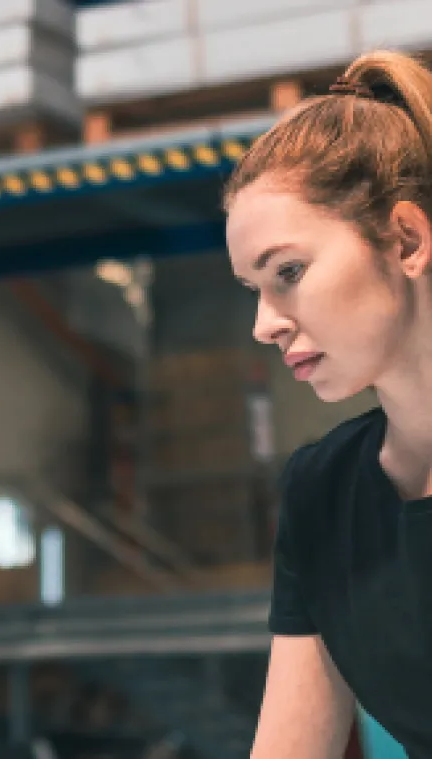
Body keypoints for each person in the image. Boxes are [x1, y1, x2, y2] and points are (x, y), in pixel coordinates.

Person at [224, 49, 432, 758]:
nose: (265, 323)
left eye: (287, 271)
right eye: (253, 287)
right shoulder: (322, 492)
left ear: (405, 239)